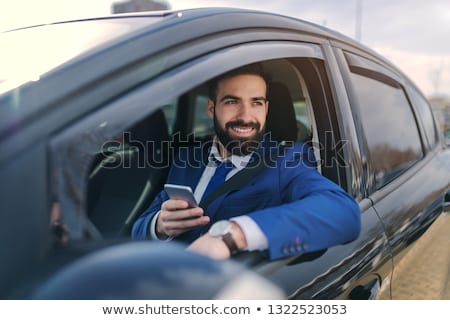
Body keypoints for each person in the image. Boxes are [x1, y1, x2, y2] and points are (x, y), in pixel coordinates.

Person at [131, 63, 361, 260]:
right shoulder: (187, 158)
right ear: (212, 108)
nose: (246, 116)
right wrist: (160, 224)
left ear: (266, 108)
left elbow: (343, 212)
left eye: (256, 103)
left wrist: (232, 235)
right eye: (232, 102)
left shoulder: (288, 160)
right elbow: (140, 227)